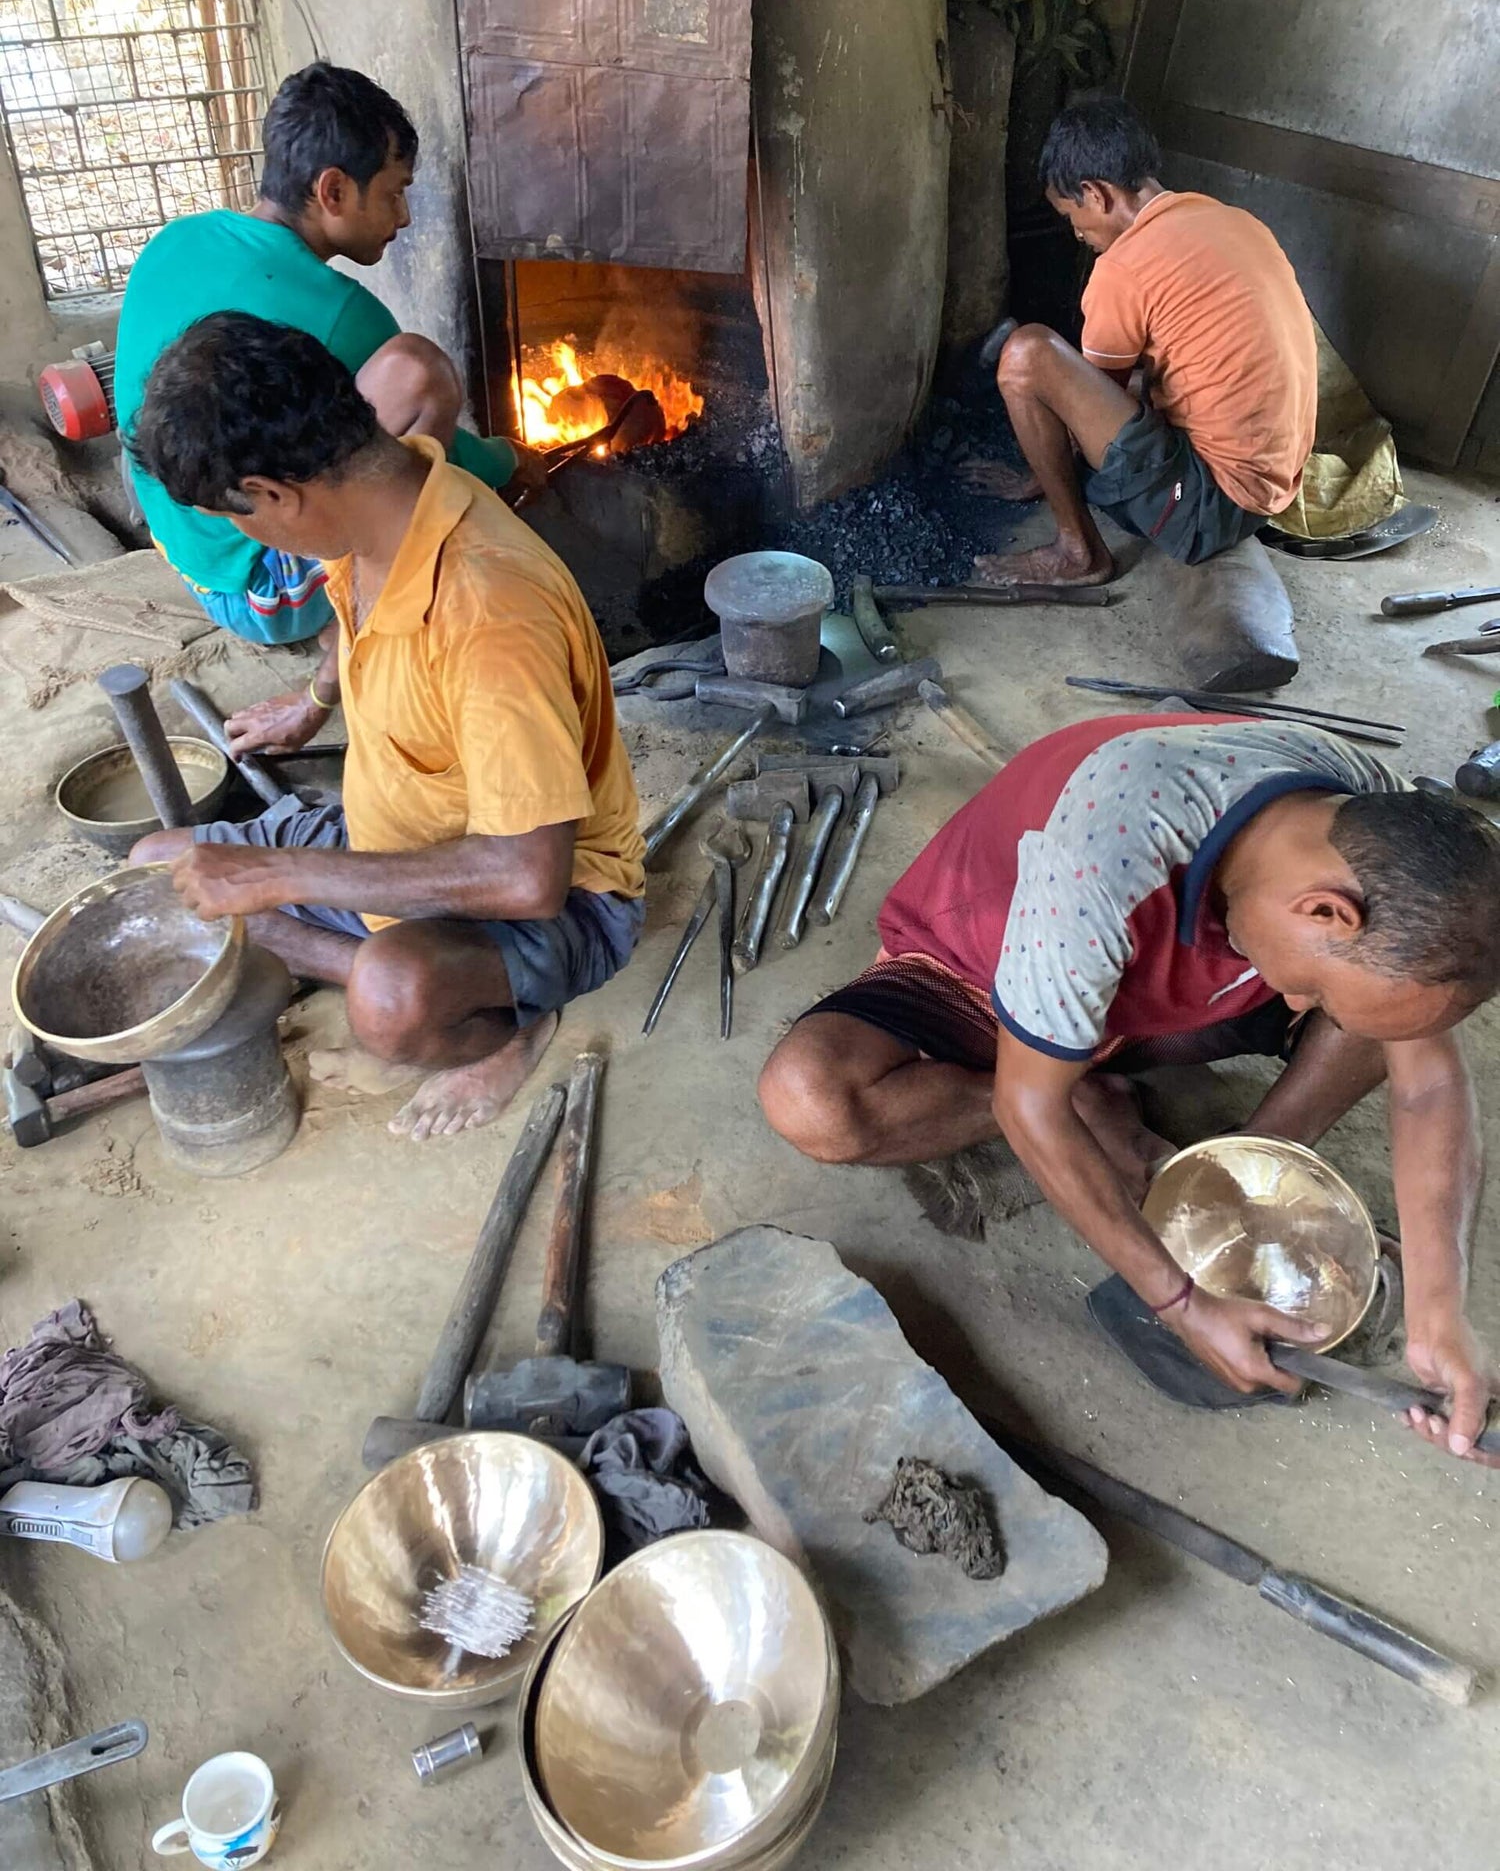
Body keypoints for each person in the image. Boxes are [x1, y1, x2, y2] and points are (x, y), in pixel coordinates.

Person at [759, 712, 1500, 1466]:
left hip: (1168, 995)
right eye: (1313, 989)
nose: (1305, 1007)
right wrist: (1180, 1303)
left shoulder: (1384, 826)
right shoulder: (1104, 851)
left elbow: (1429, 1085)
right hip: (989, 973)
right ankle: (1079, 1090)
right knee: (813, 1101)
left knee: (1383, 1022)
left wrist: (1440, 1310)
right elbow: (1028, 1108)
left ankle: (1237, 1172)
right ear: (1323, 911)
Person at [125, 313, 643, 1143]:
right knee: (156, 869)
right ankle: (339, 947)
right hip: (387, 836)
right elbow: (354, 590)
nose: (241, 535)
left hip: (550, 901)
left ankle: (512, 1020)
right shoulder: (379, 497)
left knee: (390, 1003)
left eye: (235, 519)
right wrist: (315, 702)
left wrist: (280, 874)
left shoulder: (487, 612)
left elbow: (528, 878)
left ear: (273, 496)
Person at [114, 62, 544, 644]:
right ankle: (364, 610)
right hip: (254, 587)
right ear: (333, 191)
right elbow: (432, 458)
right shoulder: (342, 314)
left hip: (174, 530)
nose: (404, 216)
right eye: (394, 193)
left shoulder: (178, 238)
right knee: (414, 381)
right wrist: (511, 460)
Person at [969, 93, 1317, 589]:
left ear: (1097, 194)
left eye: (1071, 216)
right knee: (1126, 382)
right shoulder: (1234, 221)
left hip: (1206, 509)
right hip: (1273, 493)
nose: (1077, 233)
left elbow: (1080, 417)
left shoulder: (1124, 268)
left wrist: (1041, 471)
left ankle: (1078, 553)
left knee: (1027, 355)